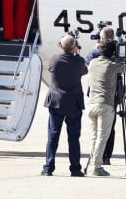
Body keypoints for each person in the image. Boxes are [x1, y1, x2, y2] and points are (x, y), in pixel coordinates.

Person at [86, 39, 126, 176]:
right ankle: (96, 167)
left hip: (91, 104)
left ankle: (92, 164)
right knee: (102, 136)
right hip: (105, 105)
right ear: (113, 52)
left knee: (94, 136)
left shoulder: (93, 62)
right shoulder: (112, 65)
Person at [41, 34, 88, 177]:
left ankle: (48, 167)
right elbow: (84, 70)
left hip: (56, 102)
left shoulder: (54, 59)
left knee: (53, 136)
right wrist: (76, 53)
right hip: (73, 103)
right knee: (74, 138)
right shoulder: (79, 61)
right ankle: (75, 169)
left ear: (60, 46)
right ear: (74, 46)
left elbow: (51, 69)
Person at [85, 26, 117, 165]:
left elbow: (86, 67)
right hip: (110, 95)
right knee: (108, 129)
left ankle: (93, 159)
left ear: (102, 37)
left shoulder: (94, 53)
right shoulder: (116, 54)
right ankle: (105, 157)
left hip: (94, 95)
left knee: (95, 133)